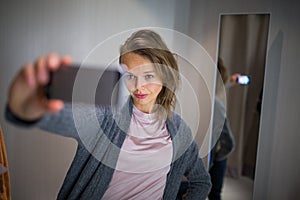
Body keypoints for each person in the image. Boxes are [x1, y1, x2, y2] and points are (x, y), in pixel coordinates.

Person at [5, 30, 211, 199]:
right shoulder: (107, 117)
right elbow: (63, 118)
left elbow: (201, 182)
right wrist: (26, 106)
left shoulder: (179, 129)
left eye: (149, 76)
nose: (139, 87)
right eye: (130, 76)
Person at [208, 58, 235, 200]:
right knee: (215, 194)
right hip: (210, 159)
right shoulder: (216, 104)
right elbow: (229, 143)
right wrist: (216, 157)